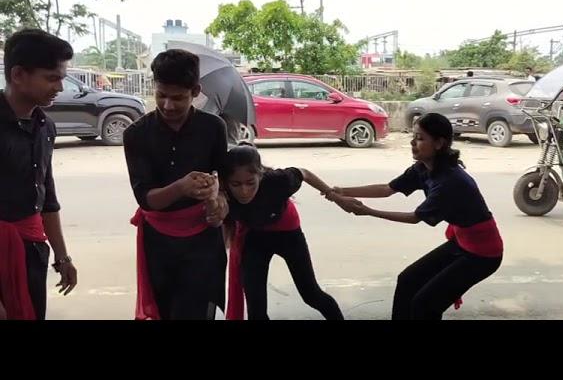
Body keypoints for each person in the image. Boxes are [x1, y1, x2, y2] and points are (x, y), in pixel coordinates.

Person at [326, 113, 503, 320]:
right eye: (413, 136)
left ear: (439, 143)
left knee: (425, 306)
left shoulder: (450, 182)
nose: (412, 143)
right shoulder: (423, 168)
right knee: (407, 280)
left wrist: (367, 211)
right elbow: (387, 189)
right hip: (462, 243)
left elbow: (415, 217)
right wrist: (343, 191)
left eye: (419, 138)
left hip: (483, 254)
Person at [123, 49, 229, 320]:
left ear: (196, 91)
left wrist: (220, 203)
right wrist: (181, 187)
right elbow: (145, 199)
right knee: (166, 311)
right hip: (160, 245)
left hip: (204, 241)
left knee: (198, 311)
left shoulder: (213, 127)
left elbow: (225, 180)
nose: (168, 105)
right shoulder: (136, 134)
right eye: (161, 95)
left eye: (178, 97)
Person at [0, 29, 77, 320]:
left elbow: (47, 197)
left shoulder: (45, 127)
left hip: (32, 251)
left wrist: (62, 255)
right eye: (52, 77)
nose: (59, 87)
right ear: (19, 75)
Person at [221, 144, 344, 320]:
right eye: (236, 184)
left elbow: (305, 173)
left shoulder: (278, 181)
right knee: (255, 308)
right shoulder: (222, 194)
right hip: (255, 236)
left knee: (311, 294)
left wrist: (332, 194)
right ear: (226, 182)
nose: (244, 191)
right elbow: (223, 232)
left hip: (288, 233)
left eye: (250, 182)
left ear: (260, 174)